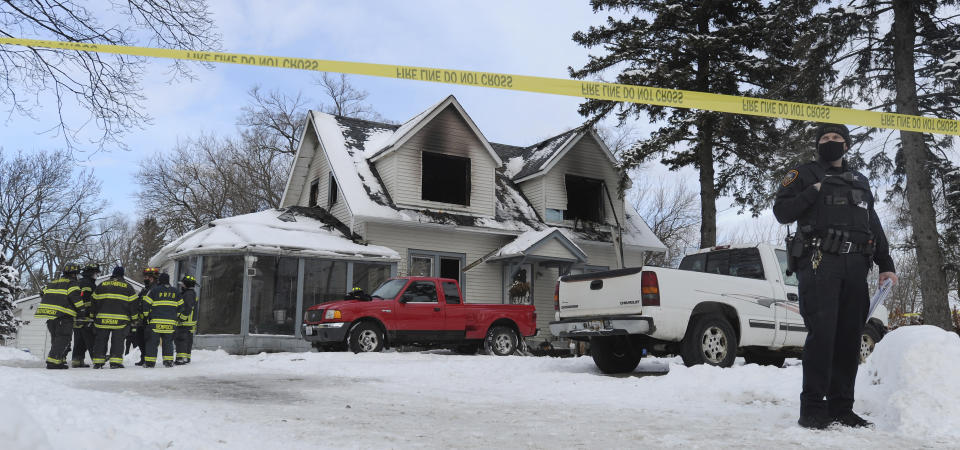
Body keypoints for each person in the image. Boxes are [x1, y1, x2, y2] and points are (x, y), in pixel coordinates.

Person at [773, 123, 899, 429]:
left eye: (837, 138)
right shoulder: (803, 174)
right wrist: (811, 194)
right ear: (818, 144)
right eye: (825, 138)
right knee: (823, 336)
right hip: (819, 263)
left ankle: (843, 407)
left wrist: (886, 264)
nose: (831, 142)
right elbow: (782, 212)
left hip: (857, 264)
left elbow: (873, 222)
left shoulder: (860, 180)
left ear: (847, 145)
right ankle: (813, 409)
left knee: (849, 338)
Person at [35, 263, 83, 369]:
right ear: (74, 274)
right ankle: (53, 361)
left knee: (57, 339)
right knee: (63, 338)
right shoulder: (72, 283)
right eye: (76, 274)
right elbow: (76, 299)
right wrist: (82, 312)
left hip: (51, 317)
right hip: (64, 316)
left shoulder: (52, 283)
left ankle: (59, 360)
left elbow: (42, 293)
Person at [90, 266, 137, 369]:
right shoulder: (127, 287)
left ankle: (98, 361)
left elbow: (93, 301)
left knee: (101, 340)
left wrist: (92, 316)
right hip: (120, 322)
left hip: (102, 320)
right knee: (118, 341)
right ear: (122, 275)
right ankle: (115, 362)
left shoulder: (102, 285)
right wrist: (134, 319)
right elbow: (133, 305)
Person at [141, 273, 184, 368]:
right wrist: (175, 318)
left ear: (159, 281)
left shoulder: (154, 290)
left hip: (155, 322)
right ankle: (168, 361)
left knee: (152, 342)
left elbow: (146, 304)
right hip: (170, 323)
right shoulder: (176, 292)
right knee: (168, 342)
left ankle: (150, 362)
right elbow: (181, 307)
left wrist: (147, 316)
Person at [71, 263, 100, 368]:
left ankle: (77, 361)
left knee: (79, 340)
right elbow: (87, 301)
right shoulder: (88, 284)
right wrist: (91, 314)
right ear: (91, 273)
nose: (96, 275)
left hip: (77, 317)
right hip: (86, 317)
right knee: (91, 340)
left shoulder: (78, 283)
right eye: (96, 273)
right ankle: (97, 360)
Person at [130, 267, 159, 366]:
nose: (145, 279)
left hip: (149, 319)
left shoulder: (155, 289)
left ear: (152, 278)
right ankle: (143, 358)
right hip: (141, 320)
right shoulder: (145, 289)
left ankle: (147, 359)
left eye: (146, 277)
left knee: (147, 340)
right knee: (140, 339)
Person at [174, 275, 198, 365]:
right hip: (190, 322)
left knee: (181, 340)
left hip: (185, 322)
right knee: (187, 340)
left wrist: (181, 318)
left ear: (187, 285)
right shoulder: (191, 293)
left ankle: (180, 359)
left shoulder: (188, 294)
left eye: (183, 284)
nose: (181, 286)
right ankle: (186, 358)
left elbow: (188, 308)